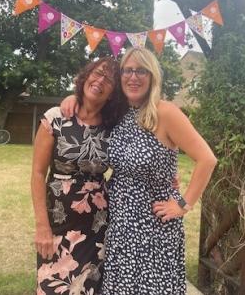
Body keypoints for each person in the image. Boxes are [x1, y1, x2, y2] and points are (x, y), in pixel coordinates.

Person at [61, 47, 217, 295]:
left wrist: (182, 204)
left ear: (152, 76)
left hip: (153, 228)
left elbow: (207, 159)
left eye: (141, 71)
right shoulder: (120, 112)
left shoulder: (165, 112)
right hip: (120, 224)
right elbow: (91, 101)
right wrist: (73, 98)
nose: (133, 77)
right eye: (128, 71)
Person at [31, 57, 125, 295]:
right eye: (97, 73)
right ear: (86, 76)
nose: (100, 81)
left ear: (114, 93)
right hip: (59, 223)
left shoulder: (113, 126)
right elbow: (38, 173)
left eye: (109, 79)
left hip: (99, 227)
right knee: (52, 286)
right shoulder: (56, 118)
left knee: (90, 288)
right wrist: (42, 226)